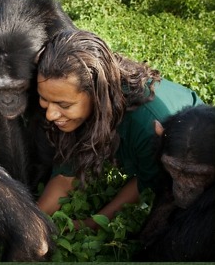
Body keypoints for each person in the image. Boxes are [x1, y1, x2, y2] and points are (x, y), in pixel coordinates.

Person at [35, 30, 204, 230]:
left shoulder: (150, 126)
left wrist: (90, 224)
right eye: (45, 99)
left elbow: (146, 183)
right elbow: (66, 174)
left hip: (192, 146)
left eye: (63, 104)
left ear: (97, 94)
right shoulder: (78, 106)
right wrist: (31, 223)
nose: (50, 114)